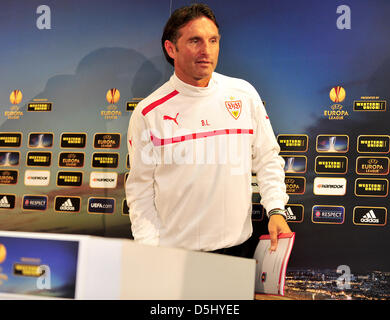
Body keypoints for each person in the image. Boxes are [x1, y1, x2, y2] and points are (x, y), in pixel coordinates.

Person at [125, 3, 291, 258]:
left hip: (239, 251)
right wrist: (149, 252)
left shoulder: (243, 94)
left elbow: (268, 158)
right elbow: (140, 191)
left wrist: (276, 210)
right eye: (195, 41)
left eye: (213, 40)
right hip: (176, 256)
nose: (206, 51)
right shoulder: (149, 113)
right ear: (171, 48)